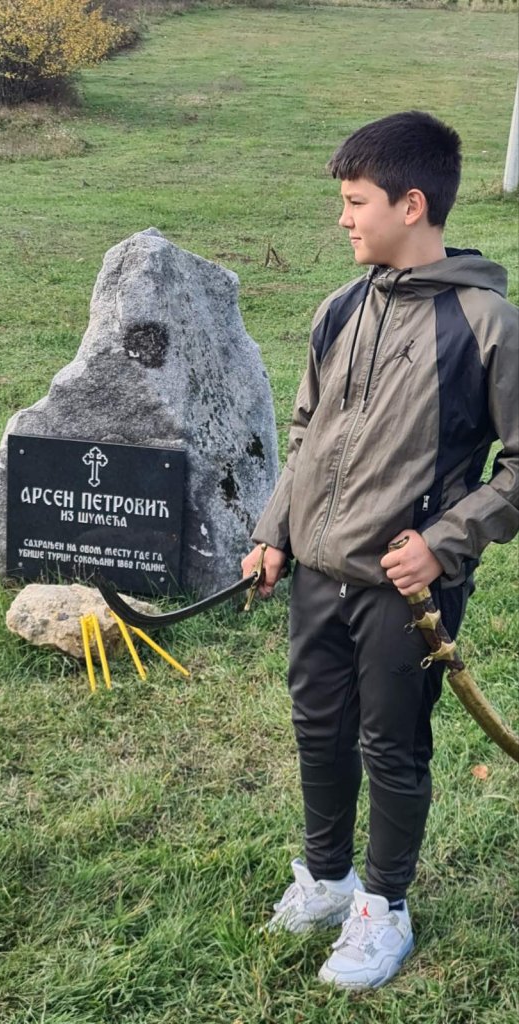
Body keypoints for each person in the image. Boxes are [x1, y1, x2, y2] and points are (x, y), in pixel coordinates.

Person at [241, 110, 519, 991]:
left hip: (407, 593)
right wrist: (275, 529)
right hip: (316, 577)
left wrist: (442, 544)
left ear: (411, 204)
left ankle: (383, 905)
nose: (342, 218)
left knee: (390, 744)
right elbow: (305, 430)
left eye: (355, 201)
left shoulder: (485, 323)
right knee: (317, 729)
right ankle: (328, 878)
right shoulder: (339, 310)